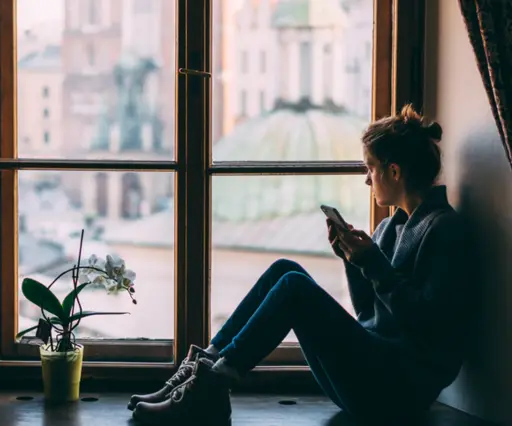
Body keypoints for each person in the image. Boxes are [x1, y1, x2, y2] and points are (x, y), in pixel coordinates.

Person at [128, 105, 470, 425]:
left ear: (393, 171)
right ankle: (202, 369)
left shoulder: (443, 229)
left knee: (295, 287)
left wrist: (372, 264)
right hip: (374, 374)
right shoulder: (390, 227)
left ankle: (213, 386)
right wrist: (352, 261)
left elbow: (428, 326)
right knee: (284, 268)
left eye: (371, 168)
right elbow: (369, 313)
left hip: (397, 393)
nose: (367, 179)